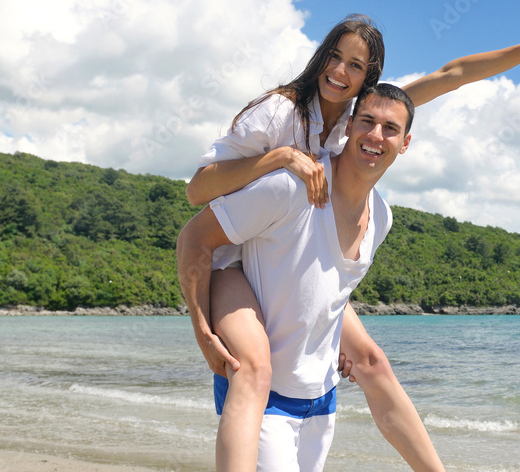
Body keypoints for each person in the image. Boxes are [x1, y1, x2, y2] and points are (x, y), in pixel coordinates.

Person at [185, 0, 520, 470]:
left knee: (370, 359)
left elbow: (452, 73)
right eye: (335, 57)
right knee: (254, 369)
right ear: (321, 56)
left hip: (292, 251)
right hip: (233, 257)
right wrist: (278, 158)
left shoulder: (360, 117)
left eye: (355, 66)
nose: (340, 71)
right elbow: (197, 191)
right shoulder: (279, 112)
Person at [177, 84, 415, 470]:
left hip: (321, 399)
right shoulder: (290, 187)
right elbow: (195, 236)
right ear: (349, 125)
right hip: (264, 399)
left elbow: (328, 292)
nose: (376, 134)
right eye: (367, 121)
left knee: (374, 361)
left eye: (390, 128)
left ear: (405, 143)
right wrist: (203, 329)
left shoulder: (381, 217)